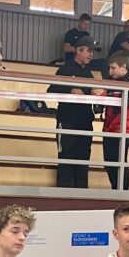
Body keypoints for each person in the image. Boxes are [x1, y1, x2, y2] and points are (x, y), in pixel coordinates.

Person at [48, 36, 96, 187]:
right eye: (88, 50)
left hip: (85, 122)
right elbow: (51, 90)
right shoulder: (65, 69)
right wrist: (70, 90)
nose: (91, 54)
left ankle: (82, 194)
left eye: (92, 51)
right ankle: (64, 193)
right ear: (78, 50)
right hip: (68, 121)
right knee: (66, 158)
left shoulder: (89, 73)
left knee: (83, 160)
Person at [98, 52, 129, 190]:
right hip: (109, 126)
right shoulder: (110, 81)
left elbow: (123, 104)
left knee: (119, 161)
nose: (110, 71)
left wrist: (103, 94)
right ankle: (116, 188)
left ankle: (122, 190)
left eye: (113, 68)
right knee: (109, 161)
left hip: (122, 127)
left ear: (123, 67)